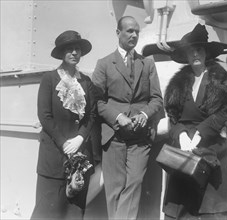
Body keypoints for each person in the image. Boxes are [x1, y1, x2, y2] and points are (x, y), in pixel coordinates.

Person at [92, 16, 164, 220]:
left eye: (137, 32)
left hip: (140, 138)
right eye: (129, 31)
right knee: (114, 190)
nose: (134, 35)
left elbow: (157, 99)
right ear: (118, 33)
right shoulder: (104, 64)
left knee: (134, 185)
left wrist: (144, 114)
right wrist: (118, 117)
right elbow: (96, 101)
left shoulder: (147, 64)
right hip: (114, 136)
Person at [162, 24, 227, 219]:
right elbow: (173, 117)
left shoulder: (222, 81)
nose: (195, 54)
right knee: (182, 209)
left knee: (210, 210)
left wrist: (199, 134)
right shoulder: (177, 84)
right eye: (191, 50)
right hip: (184, 153)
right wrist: (182, 135)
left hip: (212, 152)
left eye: (199, 49)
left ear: (206, 53)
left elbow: (222, 114)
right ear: (185, 55)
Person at [31, 30, 96, 219]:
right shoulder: (49, 79)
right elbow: (45, 115)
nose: (75, 53)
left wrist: (80, 138)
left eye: (77, 49)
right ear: (61, 53)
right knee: (48, 210)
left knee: (74, 211)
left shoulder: (86, 81)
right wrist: (64, 144)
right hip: (53, 156)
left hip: (79, 156)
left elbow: (91, 115)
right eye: (69, 49)